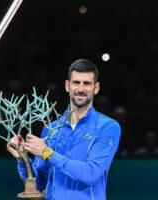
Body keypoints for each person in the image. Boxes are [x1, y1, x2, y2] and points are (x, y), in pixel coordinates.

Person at [7, 59, 121, 200]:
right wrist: (22, 160)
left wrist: (46, 153)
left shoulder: (108, 127)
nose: (80, 89)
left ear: (96, 88)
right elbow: (38, 185)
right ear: (67, 86)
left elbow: (90, 174)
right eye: (76, 83)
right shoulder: (51, 128)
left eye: (86, 83)